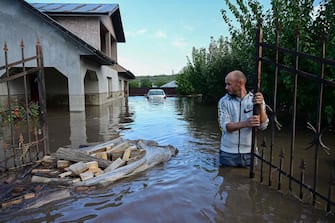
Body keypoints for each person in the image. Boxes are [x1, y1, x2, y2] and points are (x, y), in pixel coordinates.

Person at [218, 70, 269, 167]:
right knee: (227, 181)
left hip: (250, 153)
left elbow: (263, 126)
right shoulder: (223, 101)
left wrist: (259, 107)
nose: (226, 87)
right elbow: (225, 126)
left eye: (229, 84)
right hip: (228, 154)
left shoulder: (255, 99)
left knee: (251, 180)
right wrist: (246, 123)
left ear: (240, 83)